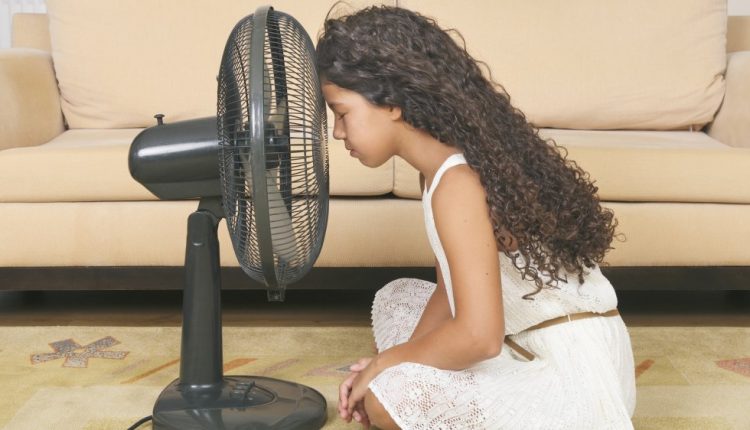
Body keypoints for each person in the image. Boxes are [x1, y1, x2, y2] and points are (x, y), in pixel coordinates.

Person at [316, 5, 636, 430]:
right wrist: (396, 363)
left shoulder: (458, 184)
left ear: (391, 101)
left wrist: (384, 367)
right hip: (526, 342)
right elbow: (449, 294)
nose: (338, 132)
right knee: (397, 297)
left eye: (341, 113)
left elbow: (479, 337)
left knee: (387, 401)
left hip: (574, 373)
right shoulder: (437, 171)